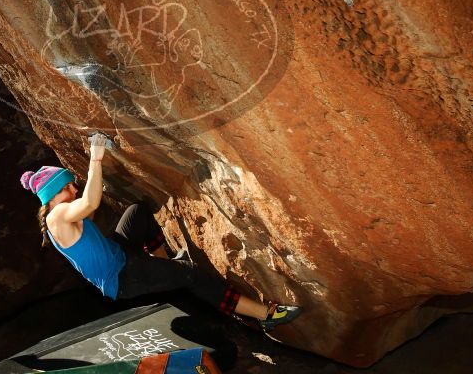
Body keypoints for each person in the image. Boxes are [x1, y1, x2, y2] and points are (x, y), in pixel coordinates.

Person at [20, 134, 301, 332]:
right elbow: (90, 204)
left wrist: (96, 189)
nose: (74, 190)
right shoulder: (56, 215)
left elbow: (88, 214)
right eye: (68, 187)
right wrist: (96, 158)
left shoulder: (61, 215)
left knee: (137, 212)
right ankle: (265, 315)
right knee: (191, 273)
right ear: (52, 196)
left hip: (118, 253)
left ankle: (163, 265)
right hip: (123, 278)